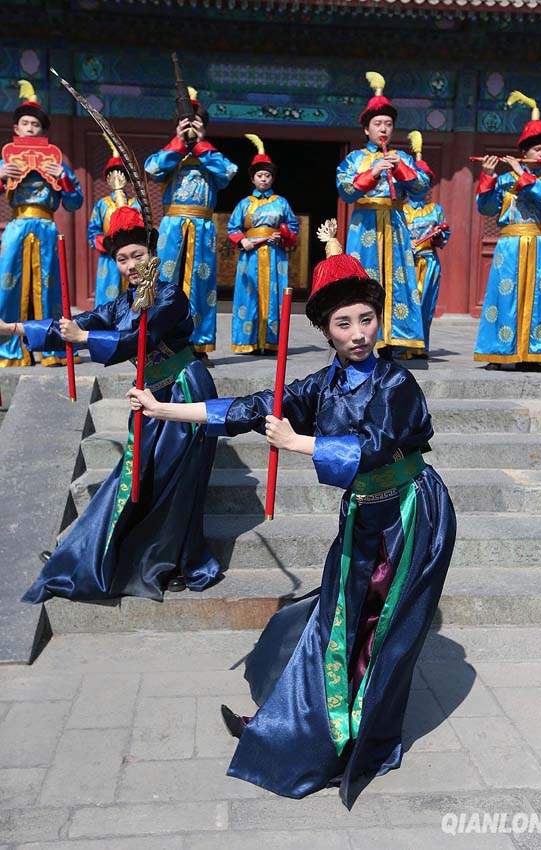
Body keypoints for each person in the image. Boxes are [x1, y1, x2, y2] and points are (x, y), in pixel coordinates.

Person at [129, 220, 456, 808]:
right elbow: (256, 407)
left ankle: (362, 738)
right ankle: (296, 725)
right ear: (326, 333)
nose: (359, 334)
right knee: (337, 619)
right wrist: (165, 409)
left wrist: (299, 445)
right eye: (343, 323)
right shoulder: (323, 384)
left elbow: (377, 443)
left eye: (366, 319)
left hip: (413, 515)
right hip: (363, 514)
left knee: (379, 632)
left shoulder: (396, 381)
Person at [1, 206, 221, 602]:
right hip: (151, 397)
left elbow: (139, 336)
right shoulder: (120, 304)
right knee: (134, 478)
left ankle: (179, 563)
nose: (132, 264)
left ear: (153, 257)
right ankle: (90, 554)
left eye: (138, 255)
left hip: (186, 394)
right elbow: (82, 323)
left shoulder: (170, 295)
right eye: (123, 259)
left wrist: (84, 340)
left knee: (178, 483)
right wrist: (17, 328)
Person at [336, 71, 430, 354]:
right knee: (363, 280)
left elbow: (421, 189)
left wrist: (399, 168)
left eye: (388, 124)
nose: (384, 129)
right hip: (364, 225)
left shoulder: (401, 157)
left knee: (397, 278)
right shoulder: (355, 159)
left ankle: (393, 339)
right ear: (366, 129)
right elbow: (346, 190)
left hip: (394, 224)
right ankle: (360, 338)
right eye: (377, 124)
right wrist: (373, 172)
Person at [144, 88, 237, 361]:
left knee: (202, 287)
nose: (191, 127)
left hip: (203, 228)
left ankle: (198, 344)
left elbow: (228, 172)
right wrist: (178, 142)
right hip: (173, 227)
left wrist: (199, 145)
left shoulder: (211, 157)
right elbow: (151, 168)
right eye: (187, 122)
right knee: (166, 284)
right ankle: (162, 341)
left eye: (197, 123)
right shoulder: (171, 156)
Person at [474, 92, 541, 372]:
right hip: (509, 245)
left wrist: (522, 174)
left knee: (538, 297)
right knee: (503, 297)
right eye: (537, 149)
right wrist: (488, 176)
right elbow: (486, 208)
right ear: (524, 152)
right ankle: (498, 353)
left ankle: (532, 355)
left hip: (537, 243)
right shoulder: (505, 179)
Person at [0, 80, 83, 367]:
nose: (31, 128)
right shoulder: (6, 160)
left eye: (35, 124)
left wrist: (64, 178)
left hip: (47, 227)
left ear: (42, 129)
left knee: (50, 289)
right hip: (18, 226)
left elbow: (74, 203)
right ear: (16, 129)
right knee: (9, 287)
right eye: (25, 123)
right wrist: (1, 176)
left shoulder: (56, 162)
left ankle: (52, 348)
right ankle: (9, 350)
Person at [228, 135, 298, 354]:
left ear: (272, 178)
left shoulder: (281, 202)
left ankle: (270, 342)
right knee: (249, 295)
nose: (264, 179)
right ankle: (248, 342)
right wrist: (243, 240)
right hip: (251, 256)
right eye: (260, 175)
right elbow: (232, 227)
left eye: (268, 175)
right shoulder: (244, 204)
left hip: (275, 255)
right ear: (253, 178)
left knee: (274, 296)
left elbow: (293, 226)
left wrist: (283, 235)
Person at [403, 132, 450, 358]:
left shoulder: (436, 210)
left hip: (429, 261)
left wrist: (438, 236)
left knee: (425, 304)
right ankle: (403, 345)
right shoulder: (399, 209)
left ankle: (420, 346)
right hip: (405, 262)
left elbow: (444, 234)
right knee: (406, 303)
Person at [87, 140, 140, 307]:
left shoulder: (136, 204)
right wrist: (107, 244)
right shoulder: (102, 204)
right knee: (108, 302)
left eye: (121, 172)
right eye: (113, 173)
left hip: (133, 257)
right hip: (109, 259)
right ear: (107, 178)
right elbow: (92, 231)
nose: (117, 177)